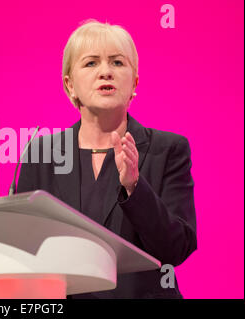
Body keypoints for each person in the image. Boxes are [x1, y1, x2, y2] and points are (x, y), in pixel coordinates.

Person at [16, 20, 197, 299]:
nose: (105, 72)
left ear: (134, 82)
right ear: (70, 85)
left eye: (117, 63)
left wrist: (135, 188)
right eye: (91, 63)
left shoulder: (168, 149)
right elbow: (23, 251)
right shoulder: (41, 155)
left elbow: (175, 249)